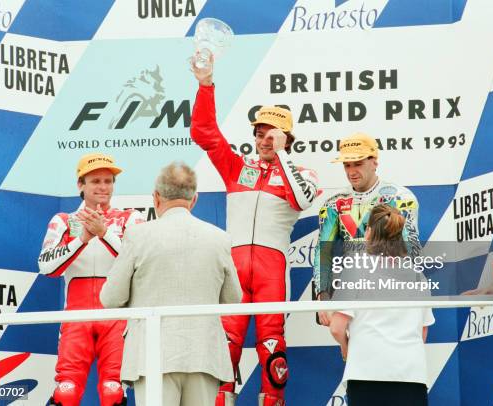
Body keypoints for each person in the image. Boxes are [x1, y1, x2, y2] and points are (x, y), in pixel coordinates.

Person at [190, 57, 319, 406]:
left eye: (273, 135)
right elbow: (204, 134)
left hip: (271, 268)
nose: (264, 140)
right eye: (260, 134)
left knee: (272, 342)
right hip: (232, 267)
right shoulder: (237, 168)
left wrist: (282, 157)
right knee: (225, 345)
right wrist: (205, 85)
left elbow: (303, 200)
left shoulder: (302, 173)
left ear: (287, 138)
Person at [100, 162, 241, 406]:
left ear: (156, 197)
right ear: (194, 199)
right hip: (204, 356)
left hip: (152, 356)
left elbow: (110, 298)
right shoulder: (219, 238)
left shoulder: (137, 236)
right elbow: (233, 298)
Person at [38, 153, 145, 406]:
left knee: (112, 391)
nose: (103, 187)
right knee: (66, 392)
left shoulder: (131, 218)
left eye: (108, 181)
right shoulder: (63, 220)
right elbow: (46, 267)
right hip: (77, 315)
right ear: (80, 185)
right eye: (96, 181)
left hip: (116, 315)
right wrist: (82, 239)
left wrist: (104, 233)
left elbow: (141, 262)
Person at [329, 204, 434, 406]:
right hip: (411, 375)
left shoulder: (355, 268)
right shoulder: (416, 274)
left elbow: (336, 327)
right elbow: (422, 332)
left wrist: (346, 349)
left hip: (367, 373)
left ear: (368, 233)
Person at [313, 132, 421, 326]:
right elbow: (324, 251)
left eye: (358, 163)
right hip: (350, 288)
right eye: (347, 165)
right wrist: (323, 296)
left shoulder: (400, 197)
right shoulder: (333, 203)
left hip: (390, 288)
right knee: (355, 350)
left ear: (374, 162)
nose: (352, 171)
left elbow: (410, 249)